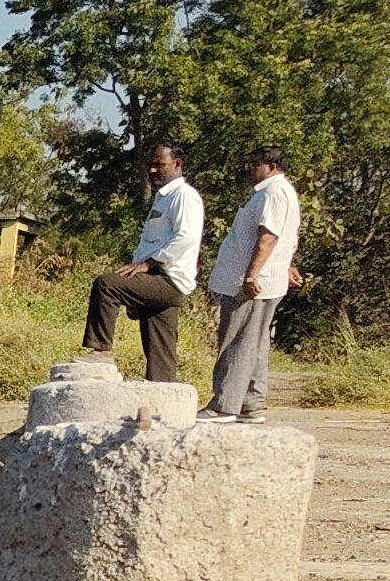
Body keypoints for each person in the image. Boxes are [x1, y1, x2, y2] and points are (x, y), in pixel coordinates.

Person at [81, 142, 206, 379]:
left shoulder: (184, 196)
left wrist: (148, 265)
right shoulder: (163, 197)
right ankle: (164, 403)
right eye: (150, 165)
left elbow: (186, 238)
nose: (152, 171)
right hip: (158, 278)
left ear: (177, 164)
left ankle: (100, 351)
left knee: (107, 285)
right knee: (161, 354)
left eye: (160, 165)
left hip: (169, 279)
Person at [205, 145, 301, 421]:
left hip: (253, 283)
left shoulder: (274, 192)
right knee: (255, 343)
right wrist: (287, 265)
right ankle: (251, 403)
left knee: (237, 341)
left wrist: (251, 275)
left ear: (271, 166)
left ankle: (225, 404)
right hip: (263, 278)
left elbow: (269, 237)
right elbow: (286, 237)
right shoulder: (274, 193)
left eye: (255, 164)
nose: (250, 169)